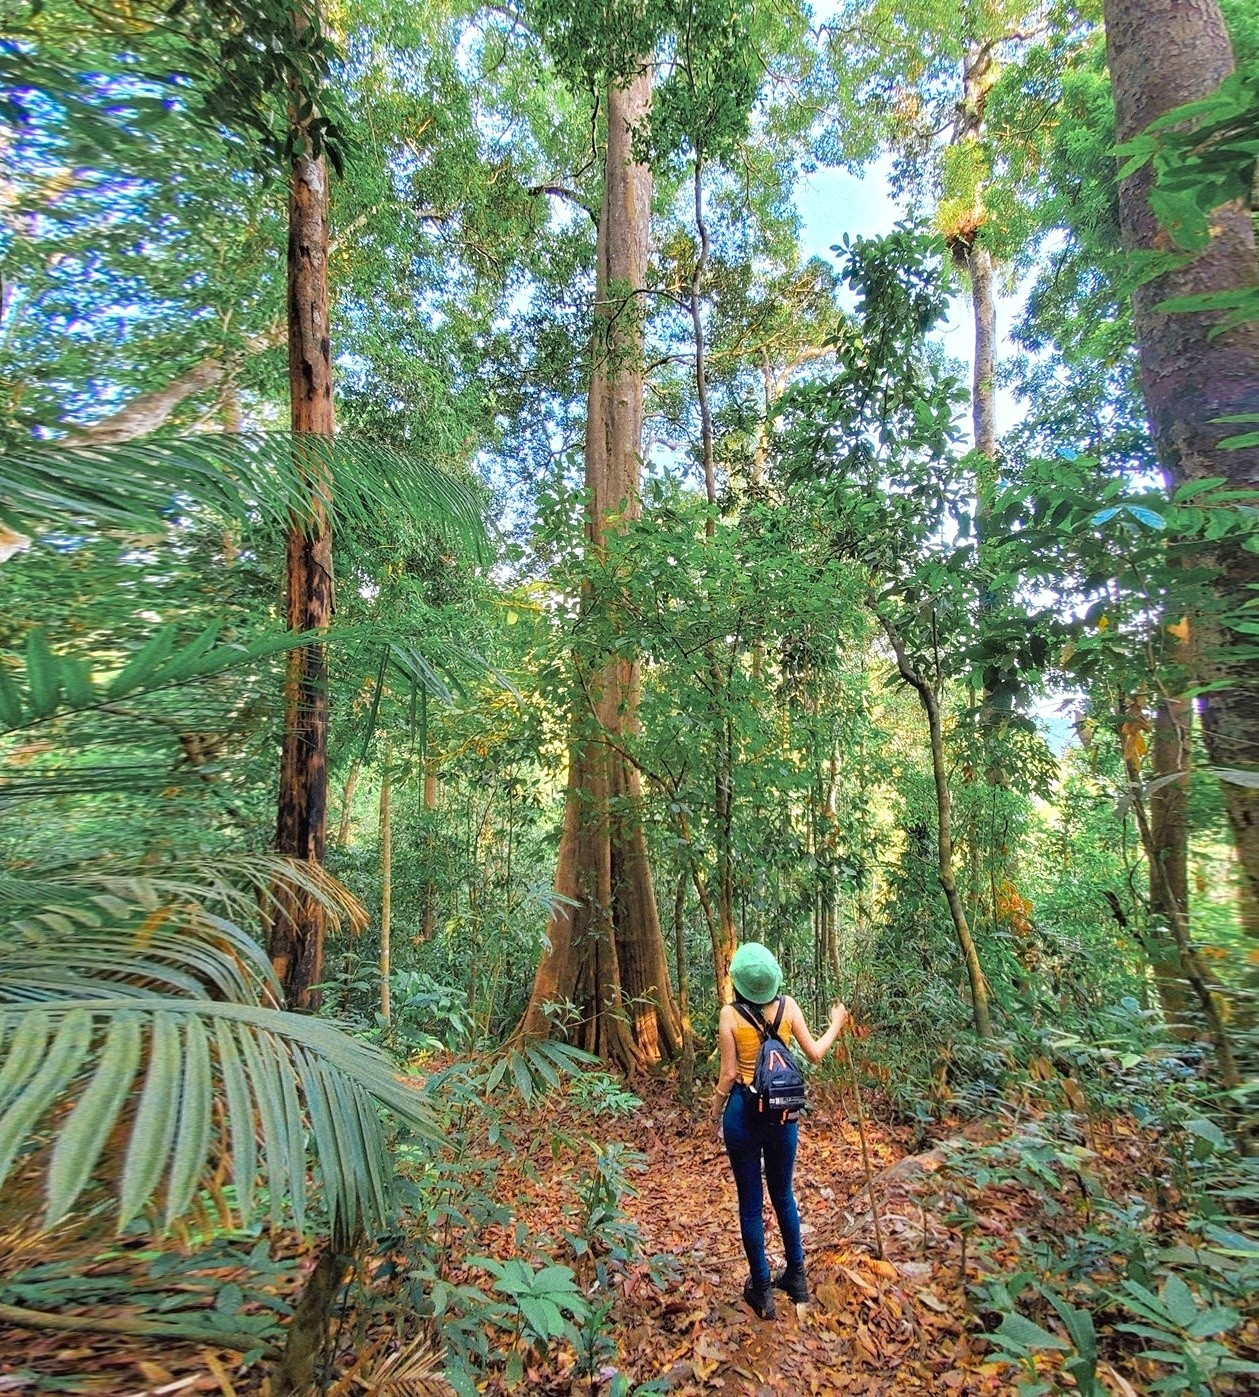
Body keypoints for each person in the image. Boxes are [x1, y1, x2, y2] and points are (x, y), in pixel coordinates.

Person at [710, 942, 849, 1319]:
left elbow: (727, 1074)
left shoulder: (729, 1015)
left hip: (743, 1113)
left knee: (751, 1204)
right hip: (784, 1115)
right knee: (783, 1194)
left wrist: (715, 1107)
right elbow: (815, 1054)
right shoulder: (788, 1007)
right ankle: (797, 1277)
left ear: (739, 983)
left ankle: (762, 1289)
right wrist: (836, 1022)